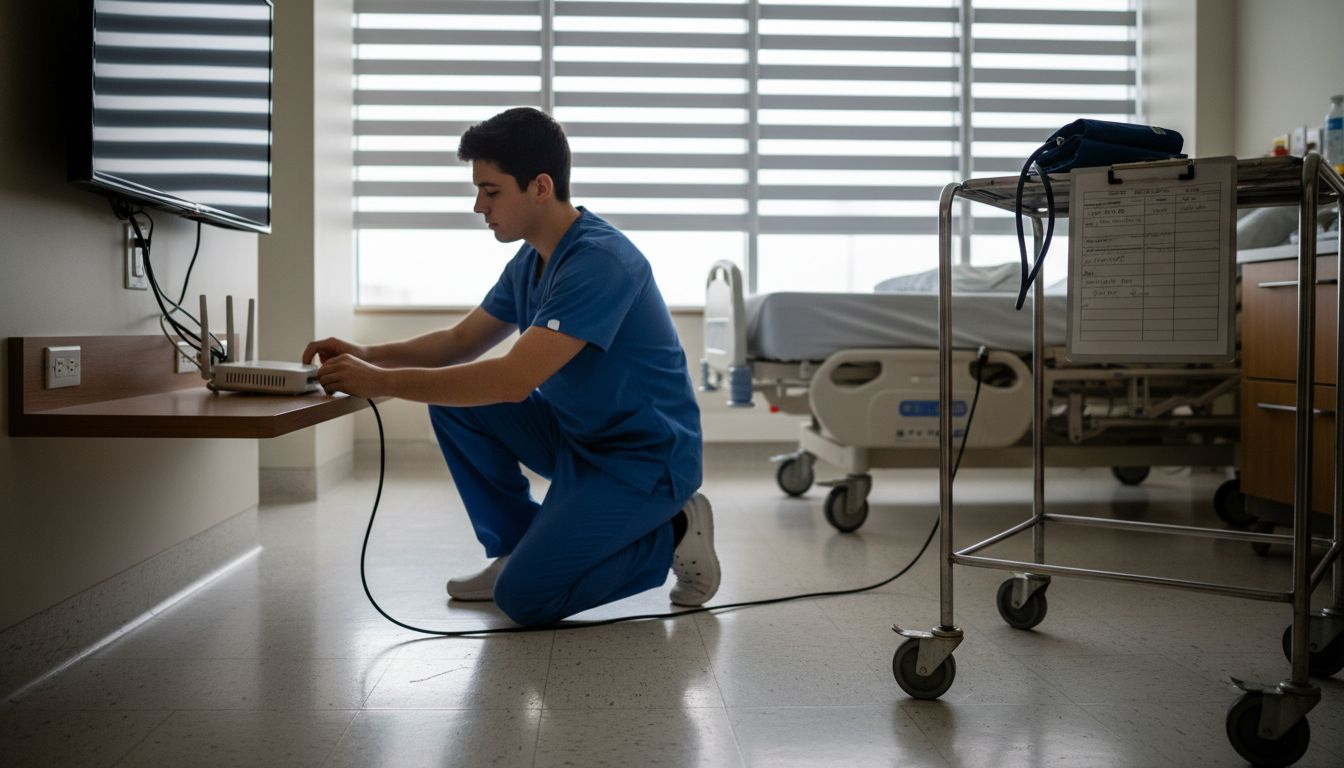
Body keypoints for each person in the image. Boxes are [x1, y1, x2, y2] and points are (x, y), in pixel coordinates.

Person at [303, 107, 718, 627]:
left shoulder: (601, 262)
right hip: (578, 440)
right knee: (455, 407)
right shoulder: (531, 260)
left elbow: (511, 380)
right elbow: (460, 341)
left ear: (540, 186)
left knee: (525, 600)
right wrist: (367, 353)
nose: (478, 205)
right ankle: (514, 550)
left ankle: (674, 530)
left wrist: (381, 382)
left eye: (491, 191)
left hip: (644, 460)